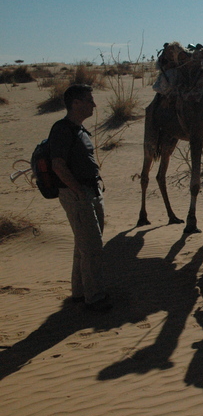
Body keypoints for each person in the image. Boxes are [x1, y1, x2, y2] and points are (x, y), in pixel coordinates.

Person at [49, 84, 111, 312]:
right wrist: (78, 192)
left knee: (83, 246)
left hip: (89, 192)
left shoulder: (79, 129)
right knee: (92, 247)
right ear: (75, 103)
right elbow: (58, 165)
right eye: (89, 100)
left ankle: (80, 292)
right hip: (77, 195)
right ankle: (95, 298)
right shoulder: (62, 130)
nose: (93, 104)